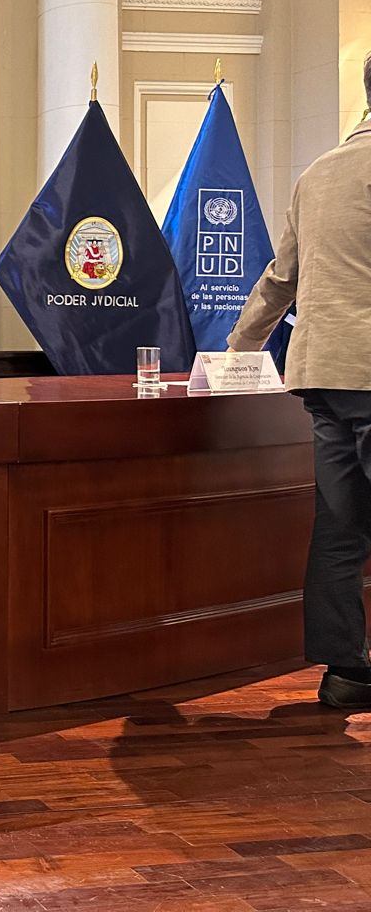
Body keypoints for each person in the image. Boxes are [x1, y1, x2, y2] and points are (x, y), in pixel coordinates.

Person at [229, 56, 371, 711]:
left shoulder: (317, 175)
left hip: (322, 375)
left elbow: (278, 280)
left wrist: (235, 352)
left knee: (340, 528)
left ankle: (345, 672)